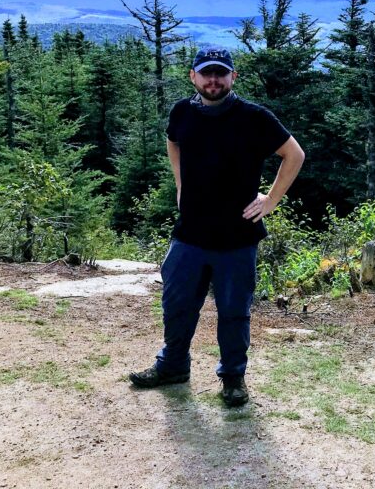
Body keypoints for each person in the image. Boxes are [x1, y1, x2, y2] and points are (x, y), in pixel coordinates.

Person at [129, 46, 305, 407]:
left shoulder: (255, 118)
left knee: (233, 312)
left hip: (237, 237)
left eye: (220, 73)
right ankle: (173, 366)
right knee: (176, 304)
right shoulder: (182, 112)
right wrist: (180, 184)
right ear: (193, 76)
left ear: (232, 78)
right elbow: (173, 140)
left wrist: (270, 201)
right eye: (206, 73)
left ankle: (233, 378)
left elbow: (294, 155)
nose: (213, 80)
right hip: (189, 234)